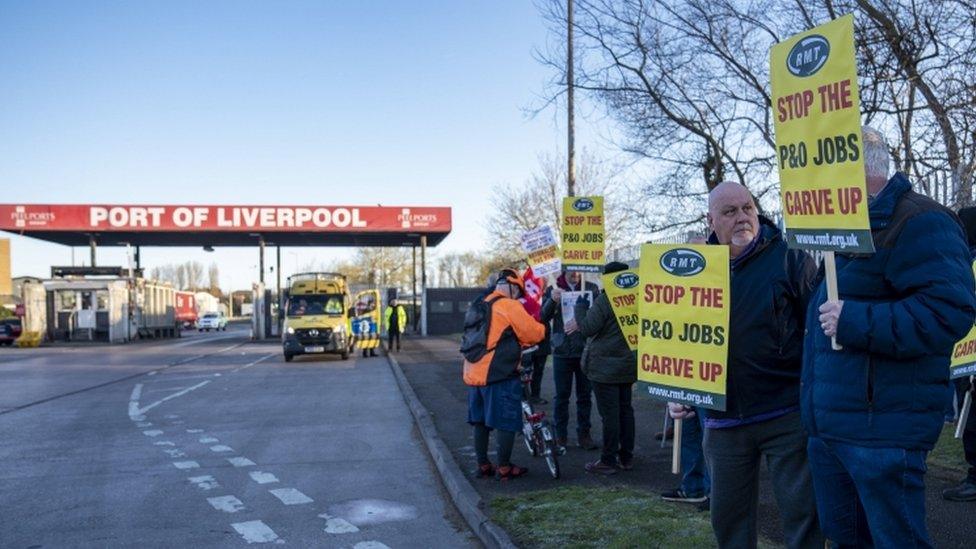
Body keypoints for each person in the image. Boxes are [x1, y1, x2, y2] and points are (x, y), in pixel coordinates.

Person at [803, 127, 976, 546]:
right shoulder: (840, 230)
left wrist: (855, 322)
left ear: (856, 165)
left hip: (882, 432)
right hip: (832, 430)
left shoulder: (920, 220)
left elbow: (948, 311)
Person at [702, 181, 822, 549]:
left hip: (784, 413)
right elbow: (676, 342)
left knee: (803, 517)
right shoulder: (694, 271)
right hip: (722, 420)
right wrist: (678, 392)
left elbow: (815, 332)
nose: (742, 218)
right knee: (728, 522)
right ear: (710, 220)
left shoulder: (790, 257)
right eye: (730, 211)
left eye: (747, 208)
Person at [463, 268, 546, 480]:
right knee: (506, 420)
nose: (518, 297)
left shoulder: (479, 303)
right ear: (511, 287)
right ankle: (504, 467)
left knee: (480, 422)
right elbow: (534, 333)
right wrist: (541, 324)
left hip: (474, 373)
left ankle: (483, 465)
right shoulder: (508, 306)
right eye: (518, 292)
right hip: (498, 374)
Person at [573, 261, 637, 474]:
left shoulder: (606, 300)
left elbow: (588, 328)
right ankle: (626, 456)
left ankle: (608, 460)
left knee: (610, 415)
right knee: (625, 411)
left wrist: (580, 308)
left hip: (604, 369)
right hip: (628, 365)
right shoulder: (635, 298)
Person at [541, 269, 599, 450]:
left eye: (579, 269)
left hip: (585, 350)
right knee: (562, 397)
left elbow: (598, 317)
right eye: (572, 269)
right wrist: (552, 300)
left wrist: (582, 321)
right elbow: (543, 316)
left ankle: (584, 435)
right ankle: (561, 436)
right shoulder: (554, 288)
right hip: (562, 351)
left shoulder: (591, 288)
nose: (576, 273)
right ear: (564, 270)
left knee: (584, 396)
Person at [943, 206, 976, 502]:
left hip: (969, 358)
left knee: (972, 420)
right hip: (966, 355)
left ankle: (975, 478)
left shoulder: (967, 262)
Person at [661, 403, 710, 506]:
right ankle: (693, 488)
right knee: (688, 433)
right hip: (687, 390)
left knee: (711, 438)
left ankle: (712, 493)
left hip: (711, 391)